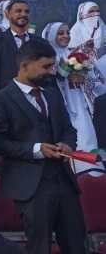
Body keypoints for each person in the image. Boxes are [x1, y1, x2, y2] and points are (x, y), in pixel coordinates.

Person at [0, 40, 87, 254]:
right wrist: (36, 149)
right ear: (25, 65)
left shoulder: (52, 94)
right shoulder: (0, 99)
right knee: (39, 248)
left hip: (64, 182)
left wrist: (67, 144)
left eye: (52, 66)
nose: (52, 72)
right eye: (46, 66)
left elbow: (68, 128)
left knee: (77, 245)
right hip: (31, 186)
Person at [42, 22, 105, 174]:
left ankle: (92, 175)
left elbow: (100, 81)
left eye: (68, 33)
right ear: (51, 36)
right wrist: (62, 73)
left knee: (87, 137)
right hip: (61, 107)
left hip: (81, 106)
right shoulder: (46, 59)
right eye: (60, 33)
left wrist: (84, 80)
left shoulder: (78, 55)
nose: (66, 36)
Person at [0, 0, 47, 94]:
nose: (23, 14)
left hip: (36, 94)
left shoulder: (40, 42)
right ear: (8, 15)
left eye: (26, 11)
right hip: (9, 95)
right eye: (18, 11)